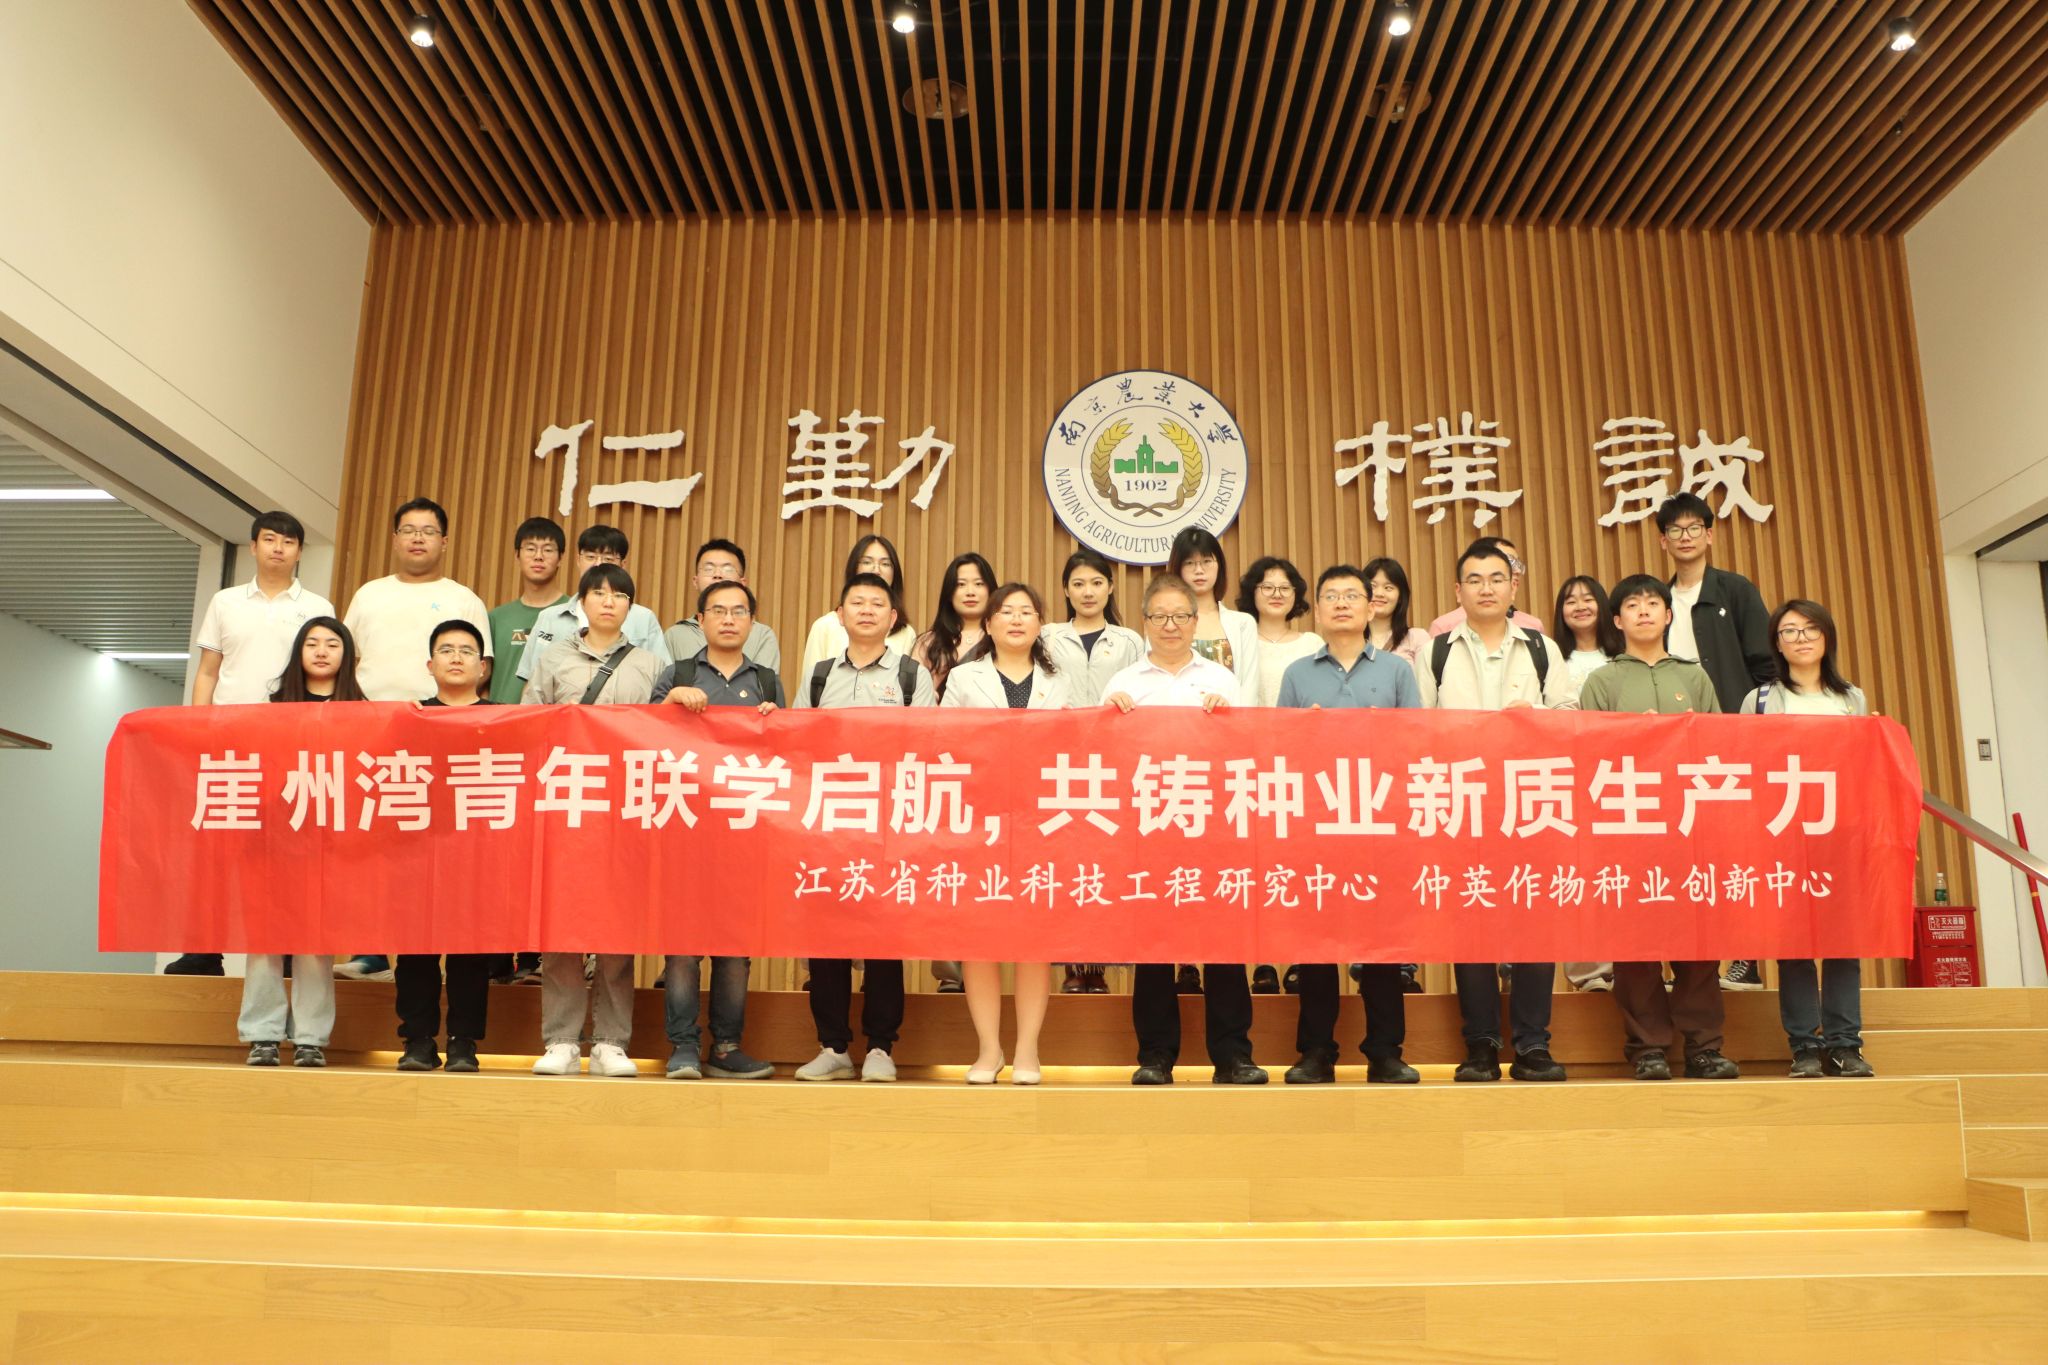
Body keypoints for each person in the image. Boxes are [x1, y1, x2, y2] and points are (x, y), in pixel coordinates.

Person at [1417, 538, 1573, 1083]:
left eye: (1496, 578)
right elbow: (1419, 728)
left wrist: (1537, 716)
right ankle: (1480, 1044)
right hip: (1462, 803)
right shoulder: (1436, 652)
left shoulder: (1542, 648)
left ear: (1514, 587)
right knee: (1472, 924)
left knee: (1534, 925)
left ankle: (1533, 1045)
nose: (1486, 588)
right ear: (1458, 591)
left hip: (1531, 802)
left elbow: (1570, 718)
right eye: (1475, 580)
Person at [1103, 574, 1265, 1086]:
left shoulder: (1221, 679)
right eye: (1160, 616)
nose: (1170, 625)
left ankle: (1233, 1056)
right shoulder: (1123, 683)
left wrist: (1228, 719)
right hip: (1147, 829)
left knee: (1223, 945)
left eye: (1180, 616)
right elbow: (1104, 761)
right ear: (1144, 622)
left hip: (1213, 826)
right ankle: (1155, 1056)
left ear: (1196, 622)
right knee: (1152, 948)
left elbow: (1248, 752)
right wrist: (1111, 719)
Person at [1579, 575, 1739, 1082]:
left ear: (1669, 615)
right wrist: (1632, 737)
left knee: (1698, 942)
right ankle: (1647, 1047)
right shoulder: (1601, 681)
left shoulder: (1695, 677)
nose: (1644, 611)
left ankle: (1704, 1047)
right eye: (1633, 604)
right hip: (1628, 829)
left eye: (1654, 603)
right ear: (1617, 620)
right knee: (1636, 944)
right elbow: (1587, 760)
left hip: (1691, 826)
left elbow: (1720, 752)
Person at [1276, 566, 1422, 1085]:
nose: (1341, 603)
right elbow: (1278, 754)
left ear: (1371, 607)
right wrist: (1304, 735)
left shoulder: (1398, 671)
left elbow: (1416, 746)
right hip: (1317, 824)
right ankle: (1316, 1051)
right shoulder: (1297, 674)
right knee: (1316, 945)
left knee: (1382, 944)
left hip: (1380, 825)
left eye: (1352, 595)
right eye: (1331, 596)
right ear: (1317, 609)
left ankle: (1385, 1051)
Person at [337, 497, 493, 983]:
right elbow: (346, 662)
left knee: (440, 853)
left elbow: (482, 671)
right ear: (395, 539)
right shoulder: (369, 595)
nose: (418, 538)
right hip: (375, 736)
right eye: (409, 529)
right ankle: (370, 949)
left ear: (444, 541)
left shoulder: (463, 599)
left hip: (444, 739)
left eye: (428, 531)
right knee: (374, 846)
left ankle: (452, 951)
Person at [792, 573, 938, 1082]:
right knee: (826, 937)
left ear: (893, 617)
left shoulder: (911, 676)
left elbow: (926, 747)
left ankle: (880, 1047)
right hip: (829, 821)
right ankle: (832, 1045)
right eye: (858, 602)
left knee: (884, 938)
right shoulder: (819, 675)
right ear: (840, 615)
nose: (868, 610)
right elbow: (797, 744)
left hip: (888, 824)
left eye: (878, 603)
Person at [176, 511, 334, 976]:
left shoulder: (318, 606)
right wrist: (198, 731)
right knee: (216, 848)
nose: (278, 548)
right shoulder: (225, 602)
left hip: (291, 745)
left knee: (285, 854)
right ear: (252, 546)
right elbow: (208, 672)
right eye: (269, 539)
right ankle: (203, 949)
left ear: (300, 551)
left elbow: (324, 670)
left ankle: (284, 948)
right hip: (228, 743)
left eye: (288, 541)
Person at [523, 563, 662, 1078]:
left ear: (630, 606)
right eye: (598, 593)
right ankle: (561, 1040)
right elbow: (529, 727)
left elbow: (662, 738)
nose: (608, 601)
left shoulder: (650, 664)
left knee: (617, 930)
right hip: (565, 807)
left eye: (618, 595)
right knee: (560, 926)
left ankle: (610, 1041)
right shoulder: (553, 659)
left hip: (625, 812)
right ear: (581, 602)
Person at [649, 578, 784, 1081]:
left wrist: (775, 720)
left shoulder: (766, 680)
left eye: (739, 611)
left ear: (753, 622)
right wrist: (669, 701)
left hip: (743, 836)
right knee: (683, 951)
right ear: (700, 620)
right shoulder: (678, 673)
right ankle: (683, 1047)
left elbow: (782, 757)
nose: (729, 619)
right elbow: (640, 739)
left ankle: (727, 1047)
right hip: (683, 830)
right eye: (718, 610)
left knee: (734, 951)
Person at [940, 583, 1076, 1084]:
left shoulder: (1061, 679)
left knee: (1033, 941)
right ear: (989, 623)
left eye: (1026, 612)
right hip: (979, 821)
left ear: (1040, 623)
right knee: (980, 939)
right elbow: (942, 744)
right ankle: (988, 1049)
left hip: (1043, 821)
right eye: (1006, 612)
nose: (1016, 620)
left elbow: (1078, 745)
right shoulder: (963, 676)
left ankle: (1027, 1050)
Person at [1740, 599, 1875, 1079]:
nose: (1800, 638)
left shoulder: (1852, 699)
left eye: (1810, 629)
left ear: (1827, 637)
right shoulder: (1758, 701)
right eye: (1789, 631)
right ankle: (1804, 1046)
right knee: (1794, 945)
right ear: (1776, 644)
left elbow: (1865, 770)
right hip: (1783, 834)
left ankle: (1845, 1045)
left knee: (1843, 943)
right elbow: (1746, 770)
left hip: (1841, 834)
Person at [1653, 493, 1775, 992]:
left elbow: (1765, 664)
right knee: (1682, 852)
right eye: (1675, 530)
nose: (1685, 537)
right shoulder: (1657, 599)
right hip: (1673, 745)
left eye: (1693, 528)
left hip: (1732, 738)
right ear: (1663, 541)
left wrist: (1756, 725)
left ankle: (1747, 956)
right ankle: (1686, 965)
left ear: (1709, 534)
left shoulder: (1735, 590)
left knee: (1737, 851)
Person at [237, 617, 361, 1066]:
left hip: (330, 842)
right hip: (272, 839)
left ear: (347, 655)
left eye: (332, 644)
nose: (322, 651)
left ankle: (311, 1037)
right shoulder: (272, 708)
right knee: (265, 940)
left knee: (315, 942)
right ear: (299, 652)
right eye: (312, 643)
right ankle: (262, 1034)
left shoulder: (361, 711)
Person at [388, 620, 500, 1074]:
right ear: (430, 664)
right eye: (447, 650)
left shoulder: (504, 719)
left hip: (480, 852)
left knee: (471, 951)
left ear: (483, 667)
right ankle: (417, 1040)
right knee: (416, 949)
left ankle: (463, 1042)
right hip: (419, 849)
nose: (457, 657)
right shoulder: (410, 718)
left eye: (467, 651)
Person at [1552, 574, 1624, 993]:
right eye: (1570, 600)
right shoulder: (1552, 657)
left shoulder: (1623, 657)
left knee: (1621, 872)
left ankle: (1630, 966)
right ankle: (1587, 973)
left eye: (1587, 598)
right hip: (1569, 774)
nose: (1579, 606)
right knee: (1577, 872)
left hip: (1620, 774)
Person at [515, 525, 672, 686]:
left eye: (608, 559)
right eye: (590, 557)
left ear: (623, 565)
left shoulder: (643, 618)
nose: (598, 565)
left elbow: (663, 678)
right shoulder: (549, 617)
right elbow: (531, 681)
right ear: (578, 560)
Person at [797, 534, 917, 679]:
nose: (876, 570)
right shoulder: (825, 626)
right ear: (854, 568)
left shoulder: (906, 633)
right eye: (867, 562)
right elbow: (810, 685)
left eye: (885, 564)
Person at [1040, 547, 1145, 710]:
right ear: (1066, 590)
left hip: (1113, 726)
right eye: (1078, 584)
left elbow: (1141, 694)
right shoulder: (1047, 637)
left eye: (1097, 583)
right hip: (1061, 725)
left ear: (1110, 587)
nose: (1088, 593)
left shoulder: (1129, 641)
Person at [1165, 527, 1259, 699]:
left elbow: (1249, 687)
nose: (1199, 570)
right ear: (1177, 569)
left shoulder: (1243, 623)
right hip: (1178, 713)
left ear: (1219, 566)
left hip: (1231, 713)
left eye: (1207, 561)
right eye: (1189, 563)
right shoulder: (1163, 622)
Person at [663, 538, 781, 671]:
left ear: (742, 582)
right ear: (695, 581)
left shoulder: (762, 635)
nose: (717, 575)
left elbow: (763, 682)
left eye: (727, 569)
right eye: (709, 569)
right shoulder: (675, 635)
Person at [487, 516, 567, 705]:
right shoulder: (497, 618)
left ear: (560, 558)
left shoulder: (573, 614)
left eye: (548, 550)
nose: (538, 556)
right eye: (530, 548)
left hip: (553, 719)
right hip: (501, 718)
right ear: (517, 555)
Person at [1238, 556, 1322, 709]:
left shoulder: (1312, 644)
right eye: (1267, 587)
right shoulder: (1240, 642)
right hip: (1249, 723)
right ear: (1252, 592)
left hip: (1300, 724)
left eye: (1285, 588)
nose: (1277, 595)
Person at [913, 552, 996, 700]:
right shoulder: (928, 642)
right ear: (950, 593)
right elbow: (914, 693)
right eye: (961, 584)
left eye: (979, 584)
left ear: (991, 591)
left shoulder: (1002, 639)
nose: (970, 592)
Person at [1427, 534, 1545, 635]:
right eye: (1509, 561)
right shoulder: (1444, 626)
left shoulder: (1533, 626)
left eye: (1517, 563)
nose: (1517, 570)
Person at [1361, 556, 1431, 673]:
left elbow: (1425, 682)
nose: (1379, 593)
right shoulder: (1350, 641)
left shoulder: (1417, 638)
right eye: (1372, 586)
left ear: (1400, 597)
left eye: (1388, 588)